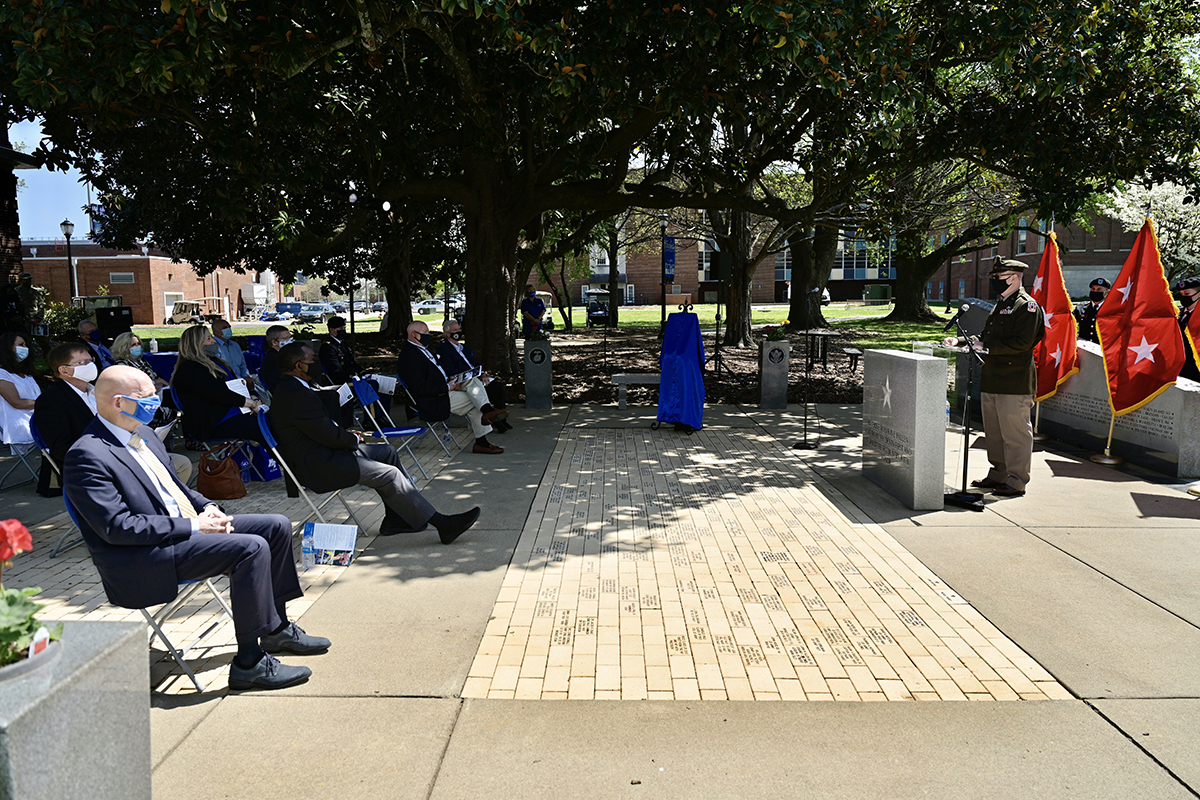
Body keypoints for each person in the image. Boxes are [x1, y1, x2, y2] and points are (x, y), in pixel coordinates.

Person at [64, 366, 327, 690]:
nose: (155, 401)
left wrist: (208, 508)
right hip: (146, 555)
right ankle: (249, 664)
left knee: (275, 526)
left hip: (184, 530)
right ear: (119, 403)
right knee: (250, 548)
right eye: (146, 397)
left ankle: (276, 629)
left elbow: (177, 489)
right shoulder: (86, 455)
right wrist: (193, 525)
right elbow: (118, 527)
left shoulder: (143, 433)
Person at [269, 343, 481, 542]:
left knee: (386, 452)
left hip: (322, 453)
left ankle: (396, 520)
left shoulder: (293, 388)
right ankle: (442, 524)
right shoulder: (296, 395)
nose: (317, 363)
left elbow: (322, 429)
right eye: (313, 359)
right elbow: (328, 435)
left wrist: (349, 438)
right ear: (299, 366)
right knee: (390, 474)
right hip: (318, 465)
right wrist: (352, 438)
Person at [942, 258, 1044, 498]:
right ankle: (999, 473)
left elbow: (1023, 343)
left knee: (1015, 434)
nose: (994, 282)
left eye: (998, 278)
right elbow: (986, 336)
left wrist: (985, 344)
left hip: (1014, 381)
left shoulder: (1026, 306)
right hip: (993, 377)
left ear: (1014, 278)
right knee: (995, 433)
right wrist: (960, 341)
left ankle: (1017, 481)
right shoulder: (1001, 304)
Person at [35, 343, 192, 495]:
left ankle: (165, 508)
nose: (90, 366)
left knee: (180, 464)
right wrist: (112, 451)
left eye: (91, 361)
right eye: (83, 363)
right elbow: (62, 449)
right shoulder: (51, 401)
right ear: (64, 370)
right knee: (164, 470)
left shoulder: (97, 390)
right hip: (96, 463)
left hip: (128, 450)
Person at [397, 321, 505, 454]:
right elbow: (420, 387)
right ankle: (483, 436)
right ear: (414, 334)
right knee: (476, 401)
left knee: (471, 381)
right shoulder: (409, 356)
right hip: (432, 399)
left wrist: (451, 381)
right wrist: (446, 387)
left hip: (445, 389)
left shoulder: (423, 349)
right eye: (425, 333)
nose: (428, 335)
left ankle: (487, 414)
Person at [170, 325, 266, 446]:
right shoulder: (191, 369)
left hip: (233, 411)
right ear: (197, 345)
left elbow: (236, 385)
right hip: (213, 421)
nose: (214, 341)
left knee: (273, 423)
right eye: (209, 339)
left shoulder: (216, 362)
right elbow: (218, 394)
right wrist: (252, 404)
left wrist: (253, 398)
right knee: (263, 429)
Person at [437, 319, 512, 433]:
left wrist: (483, 374)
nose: (458, 331)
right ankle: (495, 420)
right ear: (447, 333)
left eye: (459, 329)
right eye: (455, 330)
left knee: (496, 387)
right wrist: (470, 373)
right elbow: (450, 370)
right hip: (462, 380)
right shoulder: (444, 349)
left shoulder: (464, 348)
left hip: (475, 377)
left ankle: (500, 418)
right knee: (479, 389)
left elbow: (475, 364)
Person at [0, 331, 40, 455]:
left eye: (25, 345)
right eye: (21, 345)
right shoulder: (2, 374)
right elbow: (16, 402)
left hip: (38, 419)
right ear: (8, 348)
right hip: (22, 424)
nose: (25, 348)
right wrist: (46, 403)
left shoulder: (26, 374)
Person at [211, 319, 254, 391]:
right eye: (224, 328)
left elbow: (242, 365)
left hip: (240, 382)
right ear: (215, 331)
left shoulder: (235, 345)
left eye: (229, 327)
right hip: (225, 384)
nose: (228, 330)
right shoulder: (212, 347)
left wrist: (246, 377)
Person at [1175, 276, 1200, 382]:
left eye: (1187, 294)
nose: (1183, 297)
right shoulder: (1177, 314)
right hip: (1179, 370)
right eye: (1181, 294)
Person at [1072, 277, 1111, 343]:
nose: (1095, 291)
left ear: (1107, 292)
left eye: (1099, 289)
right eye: (1093, 289)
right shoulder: (1081, 308)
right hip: (1084, 348)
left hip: (1102, 349)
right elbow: (1068, 323)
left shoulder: (1111, 310)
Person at [258, 325, 293, 391]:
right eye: (285, 338)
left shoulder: (282, 355)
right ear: (274, 342)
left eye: (290, 337)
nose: (290, 340)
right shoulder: (272, 360)